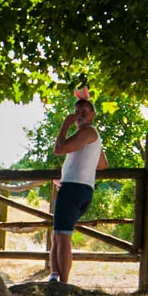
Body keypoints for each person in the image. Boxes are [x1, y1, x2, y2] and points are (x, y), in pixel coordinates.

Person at [49, 90, 109, 284]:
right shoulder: (92, 136)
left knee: (62, 236)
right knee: (58, 234)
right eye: (77, 111)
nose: (80, 114)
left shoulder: (87, 132)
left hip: (73, 188)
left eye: (84, 111)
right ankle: (54, 276)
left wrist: (65, 124)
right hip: (82, 189)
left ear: (93, 115)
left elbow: (59, 149)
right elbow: (103, 164)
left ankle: (63, 283)